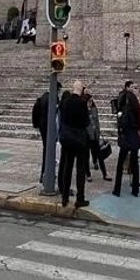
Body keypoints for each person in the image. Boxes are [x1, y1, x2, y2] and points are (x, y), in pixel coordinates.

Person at [58, 80, 91, 209]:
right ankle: (80, 198)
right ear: (81, 89)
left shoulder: (65, 102)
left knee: (67, 167)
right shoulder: (82, 103)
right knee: (80, 170)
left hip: (67, 139)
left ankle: (65, 197)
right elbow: (86, 122)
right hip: (79, 140)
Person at [112, 81, 140, 197]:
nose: (135, 89)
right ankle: (135, 189)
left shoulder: (121, 98)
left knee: (121, 163)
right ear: (128, 87)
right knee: (134, 162)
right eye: (133, 87)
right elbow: (139, 118)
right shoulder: (133, 99)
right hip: (133, 133)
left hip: (125, 133)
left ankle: (117, 189)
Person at [85, 88, 109, 180]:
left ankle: (105, 173)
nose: (90, 102)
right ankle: (88, 174)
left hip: (95, 135)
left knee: (99, 154)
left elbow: (97, 121)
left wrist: (98, 132)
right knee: (86, 155)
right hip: (87, 136)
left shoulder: (94, 108)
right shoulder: (84, 109)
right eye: (89, 101)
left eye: (91, 100)